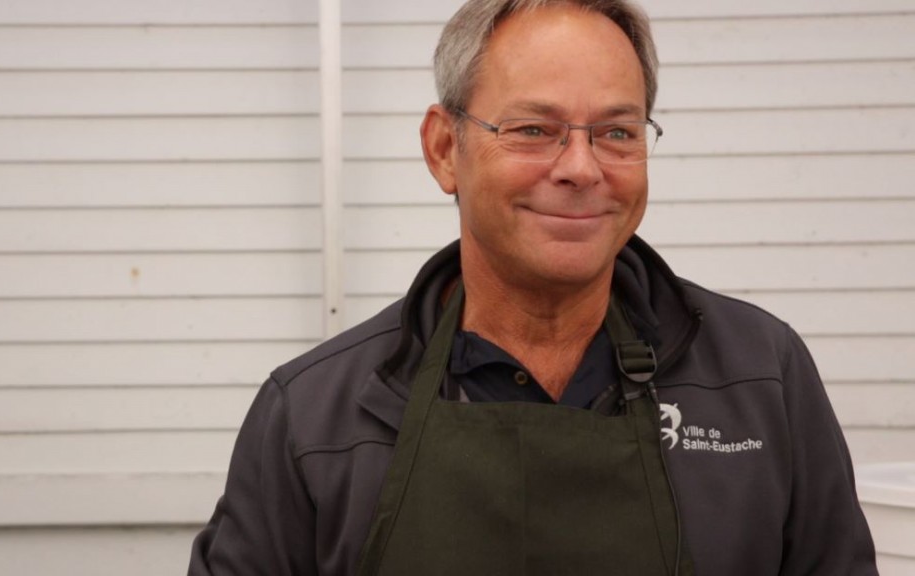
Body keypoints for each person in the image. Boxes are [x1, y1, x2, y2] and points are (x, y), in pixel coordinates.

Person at [188, 0, 878, 574]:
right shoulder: (315, 417)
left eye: (616, 130)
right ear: (443, 149)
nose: (581, 167)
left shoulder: (761, 380)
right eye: (533, 130)